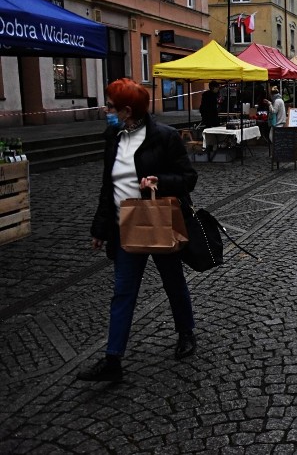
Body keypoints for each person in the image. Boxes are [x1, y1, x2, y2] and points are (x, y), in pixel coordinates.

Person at [79, 79, 198, 383]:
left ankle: (186, 332)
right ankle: (113, 360)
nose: (107, 111)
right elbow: (109, 186)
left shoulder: (164, 137)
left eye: (110, 107)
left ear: (127, 111)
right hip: (124, 228)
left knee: (173, 283)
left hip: (158, 223)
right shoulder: (113, 136)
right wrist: (101, 227)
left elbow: (188, 177)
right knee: (123, 293)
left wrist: (160, 180)